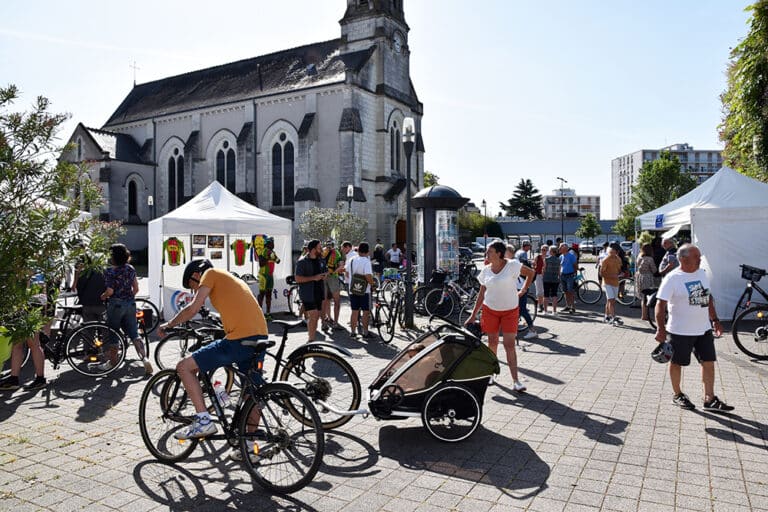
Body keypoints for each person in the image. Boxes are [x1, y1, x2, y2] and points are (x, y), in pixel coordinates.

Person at [156, 259, 270, 448]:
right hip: (259, 336)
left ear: (197, 275)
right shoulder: (229, 279)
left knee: (184, 367)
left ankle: (203, 421)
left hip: (240, 339)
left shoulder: (210, 274)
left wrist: (169, 324)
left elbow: (193, 308)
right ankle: (249, 449)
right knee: (252, 394)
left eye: (193, 286)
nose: (194, 290)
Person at [654, 244, 733, 411]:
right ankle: (678, 394)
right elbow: (660, 305)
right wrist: (660, 329)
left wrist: (715, 320)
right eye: (697, 257)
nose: (700, 259)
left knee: (708, 362)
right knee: (677, 363)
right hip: (679, 331)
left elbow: (707, 297)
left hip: (703, 329)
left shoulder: (701, 274)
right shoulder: (673, 278)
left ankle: (709, 398)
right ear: (684, 259)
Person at [465, 241, 534, 391]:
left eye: (490, 251)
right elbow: (482, 294)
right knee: (493, 343)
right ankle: (490, 374)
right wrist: (473, 315)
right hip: (490, 310)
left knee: (509, 345)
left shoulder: (512, 265)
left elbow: (530, 273)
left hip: (510, 310)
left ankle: (516, 381)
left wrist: (522, 290)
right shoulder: (486, 270)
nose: (486, 254)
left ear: (499, 253)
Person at [100, 244, 152, 374]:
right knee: (134, 333)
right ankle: (145, 359)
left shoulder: (110, 271)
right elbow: (136, 289)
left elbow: (110, 291)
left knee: (114, 333)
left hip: (116, 304)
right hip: (130, 303)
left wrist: (103, 295)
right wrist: (128, 298)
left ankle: (112, 363)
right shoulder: (130, 268)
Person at [0, 273, 53, 391]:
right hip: (27, 307)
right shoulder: (32, 267)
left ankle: (39, 379)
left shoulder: (27, 267)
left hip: (28, 307)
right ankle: (15, 378)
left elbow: (39, 290)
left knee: (33, 344)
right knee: (18, 344)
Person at [295, 240, 327, 342]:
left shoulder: (321, 260)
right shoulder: (302, 262)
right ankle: (311, 340)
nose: (321, 249)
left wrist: (325, 275)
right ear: (313, 250)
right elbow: (298, 279)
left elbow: (324, 272)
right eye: (319, 247)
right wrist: (313, 278)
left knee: (316, 316)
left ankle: (312, 339)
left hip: (319, 292)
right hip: (308, 294)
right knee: (313, 316)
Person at [347, 242, 377, 338]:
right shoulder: (366, 261)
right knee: (365, 311)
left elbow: (347, 273)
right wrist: (373, 285)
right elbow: (368, 275)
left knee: (354, 311)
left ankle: (352, 332)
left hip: (353, 289)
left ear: (358, 250)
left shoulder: (351, 260)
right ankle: (365, 332)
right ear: (367, 252)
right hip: (365, 290)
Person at [509, 244, 537, 340]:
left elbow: (530, 273)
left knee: (522, 309)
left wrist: (524, 289)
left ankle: (532, 330)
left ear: (510, 252)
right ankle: (513, 330)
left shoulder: (514, 262)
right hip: (515, 288)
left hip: (520, 288)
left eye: (505, 252)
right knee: (515, 309)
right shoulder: (509, 262)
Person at [73, 255, 106, 322]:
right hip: (101, 303)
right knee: (104, 328)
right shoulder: (102, 271)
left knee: (89, 328)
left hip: (87, 305)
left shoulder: (82, 274)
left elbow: (77, 289)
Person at [321, 240, 344, 332]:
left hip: (323, 277)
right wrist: (334, 272)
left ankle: (324, 323)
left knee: (325, 300)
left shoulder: (322, 251)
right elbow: (341, 266)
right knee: (337, 301)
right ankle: (335, 323)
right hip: (333, 277)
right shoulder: (337, 253)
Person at [256, 238, 281, 320]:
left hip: (270, 275)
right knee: (262, 294)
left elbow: (278, 261)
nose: (273, 245)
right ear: (268, 244)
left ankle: (268, 314)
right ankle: (259, 314)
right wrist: (269, 257)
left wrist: (273, 257)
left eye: (273, 243)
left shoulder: (272, 252)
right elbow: (261, 263)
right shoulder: (265, 250)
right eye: (272, 243)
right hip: (264, 275)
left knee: (269, 294)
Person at [600, 247, 623, 324]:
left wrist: (620, 274)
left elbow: (619, 269)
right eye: (610, 252)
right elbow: (602, 273)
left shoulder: (618, 259)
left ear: (616, 252)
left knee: (610, 301)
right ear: (608, 252)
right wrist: (611, 276)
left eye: (613, 252)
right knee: (611, 300)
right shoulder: (605, 260)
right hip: (607, 283)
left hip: (615, 282)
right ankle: (613, 317)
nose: (612, 254)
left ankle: (606, 316)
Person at [636, 243, 658, 321]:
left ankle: (643, 314)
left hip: (640, 276)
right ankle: (645, 315)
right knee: (646, 297)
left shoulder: (639, 257)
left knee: (643, 297)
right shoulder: (650, 259)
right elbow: (654, 269)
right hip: (647, 277)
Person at [558, 243, 578, 314]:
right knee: (565, 291)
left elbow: (575, 265)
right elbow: (560, 266)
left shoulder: (571, 256)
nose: (559, 249)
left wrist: (574, 274)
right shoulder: (561, 256)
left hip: (570, 275)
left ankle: (573, 307)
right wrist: (559, 274)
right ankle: (567, 306)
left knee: (570, 291)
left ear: (565, 248)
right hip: (563, 275)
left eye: (560, 247)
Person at [542, 245, 561, 315]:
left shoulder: (546, 259)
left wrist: (543, 276)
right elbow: (559, 270)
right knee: (554, 295)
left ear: (551, 251)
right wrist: (559, 277)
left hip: (547, 278)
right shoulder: (558, 260)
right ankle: (554, 311)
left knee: (546, 295)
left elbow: (544, 269)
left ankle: (545, 311)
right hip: (555, 279)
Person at [533, 245, 546, 313]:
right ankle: (540, 306)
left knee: (545, 292)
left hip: (546, 276)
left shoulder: (548, 258)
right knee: (539, 291)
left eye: (545, 250)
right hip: (538, 275)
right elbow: (534, 265)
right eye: (542, 249)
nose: (543, 251)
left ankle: (544, 305)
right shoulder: (537, 257)